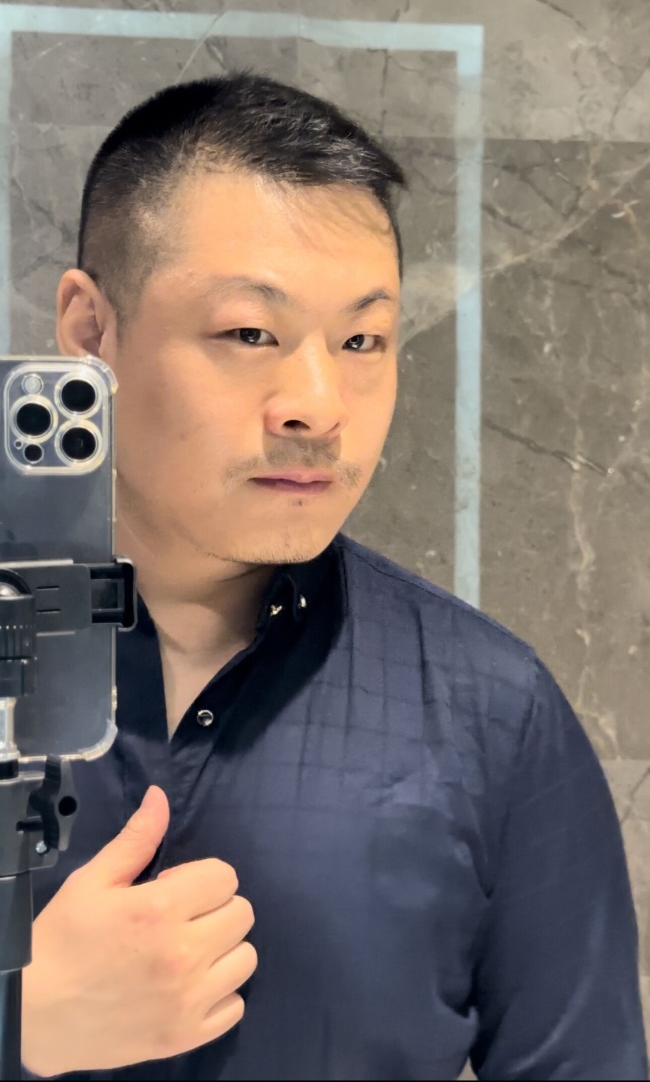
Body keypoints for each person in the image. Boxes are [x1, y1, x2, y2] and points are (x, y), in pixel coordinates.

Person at [21, 73, 647, 1082]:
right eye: (249, 333)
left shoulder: (493, 713)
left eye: (361, 341)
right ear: (92, 331)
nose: (317, 404)